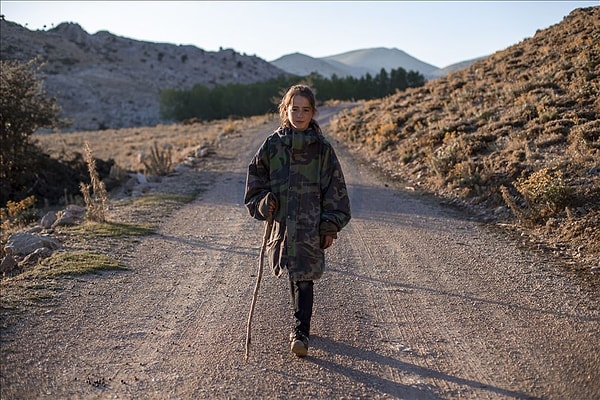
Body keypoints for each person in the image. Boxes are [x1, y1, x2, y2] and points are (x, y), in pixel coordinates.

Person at [244, 84, 351, 358]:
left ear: (313, 112)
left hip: (311, 227)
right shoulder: (272, 145)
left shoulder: (323, 150)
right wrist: (264, 202)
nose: (300, 115)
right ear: (285, 110)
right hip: (284, 227)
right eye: (295, 109)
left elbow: (335, 190)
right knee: (293, 272)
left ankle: (300, 330)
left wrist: (329, 225)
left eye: (305, 110)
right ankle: (299, 325)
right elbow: (255, 184)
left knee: (305, 278)